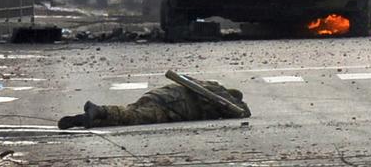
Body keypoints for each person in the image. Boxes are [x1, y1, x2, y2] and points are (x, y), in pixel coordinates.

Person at [57, 79, 248, 129]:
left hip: (162, 96)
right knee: (135, 117)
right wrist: (237, 103)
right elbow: (243, 112)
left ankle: (86, 119)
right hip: (173, 106)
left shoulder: (206, 85)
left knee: (130, 115)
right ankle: (99, 110)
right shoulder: (220, 95)